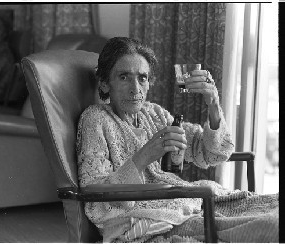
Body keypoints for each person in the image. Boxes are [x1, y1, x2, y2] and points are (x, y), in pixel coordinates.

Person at [76, 37, 279, 243]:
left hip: (187, 204)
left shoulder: (154, 114)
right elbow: (95, 198)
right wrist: (146, 154)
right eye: (124, 77)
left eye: (143, 78)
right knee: (272, 226)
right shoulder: (95, 119)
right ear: (104, 83)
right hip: (152, 221)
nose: (135, 88)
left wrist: (213, 103)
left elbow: (209, 153)